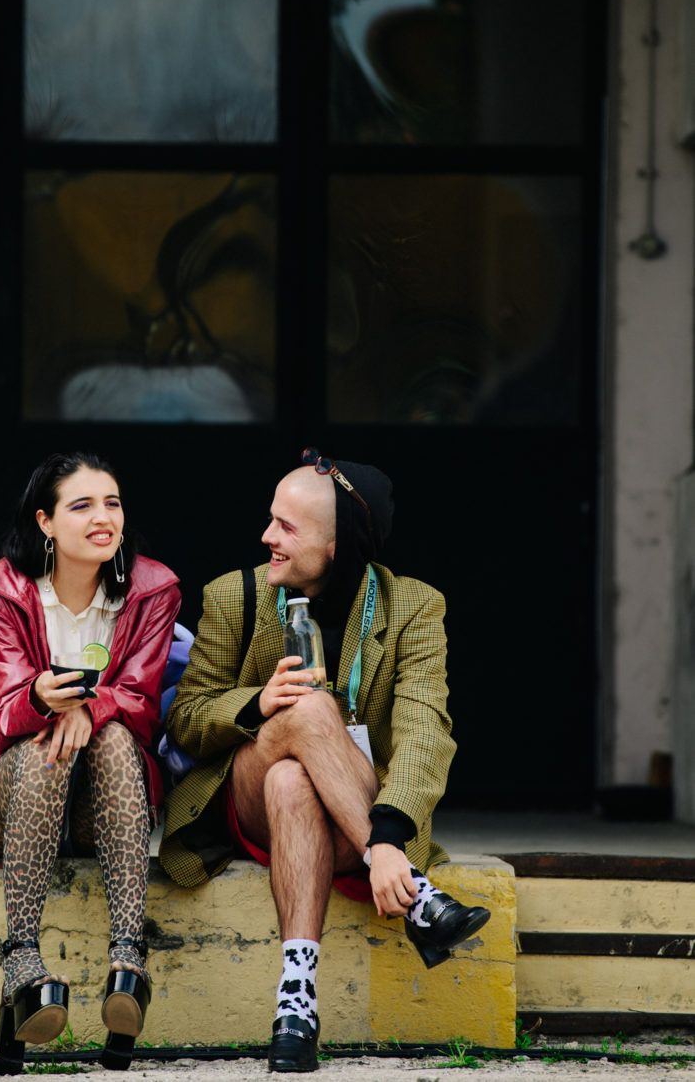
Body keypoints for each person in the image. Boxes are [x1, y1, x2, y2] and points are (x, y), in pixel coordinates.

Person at [159, 449, 488, 1073]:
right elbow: (188, 716)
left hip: (349, 819)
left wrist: (388, 832)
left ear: (338, 546)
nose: (266, 537)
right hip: (243, 803)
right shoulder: (237, 596)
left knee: (294, 781)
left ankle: (297, 1002)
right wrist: (258, 703)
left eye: (287, 527)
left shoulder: (414, 607)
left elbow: (426, 730)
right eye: (270, 520)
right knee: (305, 717)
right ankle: (420, 899)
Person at [0, 451, 181, 1075]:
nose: (103, 517)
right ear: (45, 522)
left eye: (112, 503)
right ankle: (23, 956)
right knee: (44, 745)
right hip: (17, 808)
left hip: (103, 815)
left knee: (109, 737)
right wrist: (41, 702)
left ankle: (126, 958)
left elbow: (142, 702)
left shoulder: (153, 587)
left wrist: (90, 705)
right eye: (81, 505)